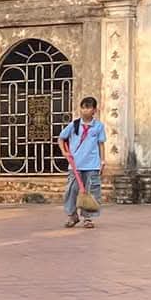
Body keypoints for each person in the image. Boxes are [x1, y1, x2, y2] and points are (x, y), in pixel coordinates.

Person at [59, 96, 107, 229]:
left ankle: (88, 218)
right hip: (75, 165)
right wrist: (64, 152)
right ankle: (72, 215)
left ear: (94, 110)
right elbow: (61, 138)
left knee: (91, 192)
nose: (85, 110)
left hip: (92, 165)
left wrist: (102, 161)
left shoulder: (98, 126)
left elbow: (101, 144)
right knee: (71, 191)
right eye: (83, 108)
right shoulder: (74, 125)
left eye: (88, 108)